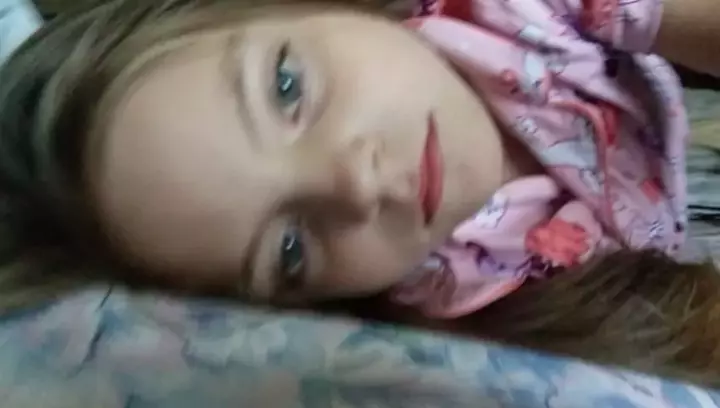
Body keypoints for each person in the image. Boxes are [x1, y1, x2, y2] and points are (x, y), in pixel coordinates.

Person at [0, 0, 719, 385]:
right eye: (288, 249)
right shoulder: (461, 314)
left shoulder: (521, 14)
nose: (355, 181)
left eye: (287, 87)